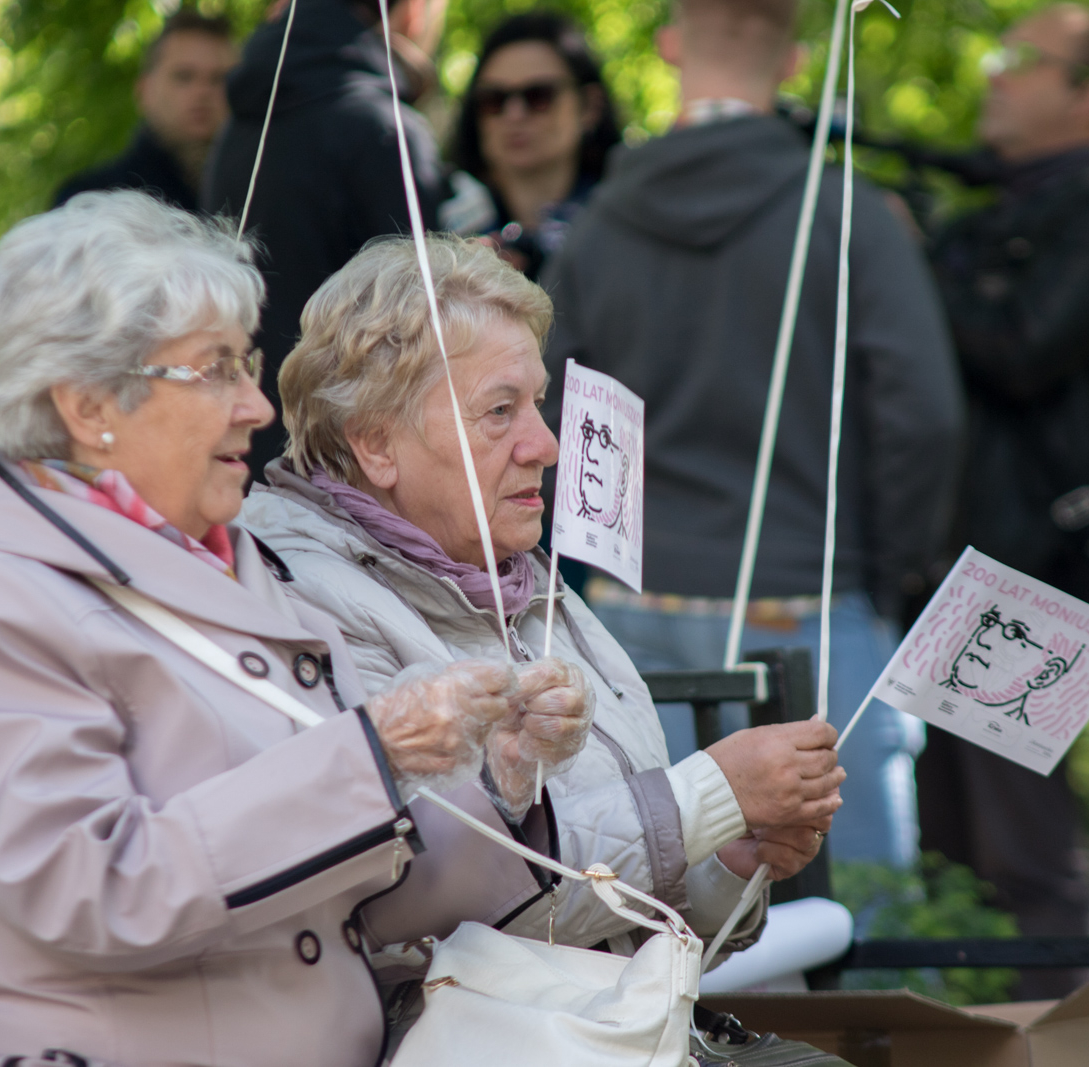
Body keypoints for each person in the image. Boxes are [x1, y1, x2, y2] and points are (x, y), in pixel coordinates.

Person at [0, 191, 591, 1066]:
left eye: (247, 363)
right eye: (215, 370)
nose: (257, 405)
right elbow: (95, 888)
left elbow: (354, 894)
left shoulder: (225, 564)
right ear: (89, 405)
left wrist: (496, 787)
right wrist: (373, 756)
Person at [240, 235, 845, 975]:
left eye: (538, 402)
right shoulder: (297, 604)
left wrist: (726, 857)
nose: (547, 443)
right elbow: (436, 922)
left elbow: (638, 934)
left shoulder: (529, 584)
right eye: (500, 411)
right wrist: (704, 796)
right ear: (376, 444)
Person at [541, 0, 964, 870]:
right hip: (811, 605)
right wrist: (886, 572)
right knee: (862, 930)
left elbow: (551, 417)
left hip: (632, 614)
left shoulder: (597, 224)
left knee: (652, 913)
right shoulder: (850, 214)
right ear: (795, 61)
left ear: (667, 44)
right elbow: (924, 415)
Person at [916, 3, 1089, 999]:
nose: (994, 75)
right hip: (949, 568)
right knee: (947, 856)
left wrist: (917, 251)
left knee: (1030, 859)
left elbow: (1019, 348)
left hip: (1026, 575)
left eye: (1023, 60)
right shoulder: (997, 215)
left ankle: (1080, 1044)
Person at [204, 0, 448, 482]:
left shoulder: (236, 128)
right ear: (414, 12)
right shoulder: (385, 129)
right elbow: (415, 334)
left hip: (237, 446)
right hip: (349, 473)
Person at [439, 12, 623, 281]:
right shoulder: (437, 223)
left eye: (538, 96)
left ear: (589, 106)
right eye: (494, 100)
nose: (514, 115)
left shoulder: (630, 219)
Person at [53, 10, 236, 212]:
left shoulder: (259, 193)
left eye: (219, 79)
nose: (203, 91)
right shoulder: (89, 201)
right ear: (145, 91)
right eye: (184, 77)